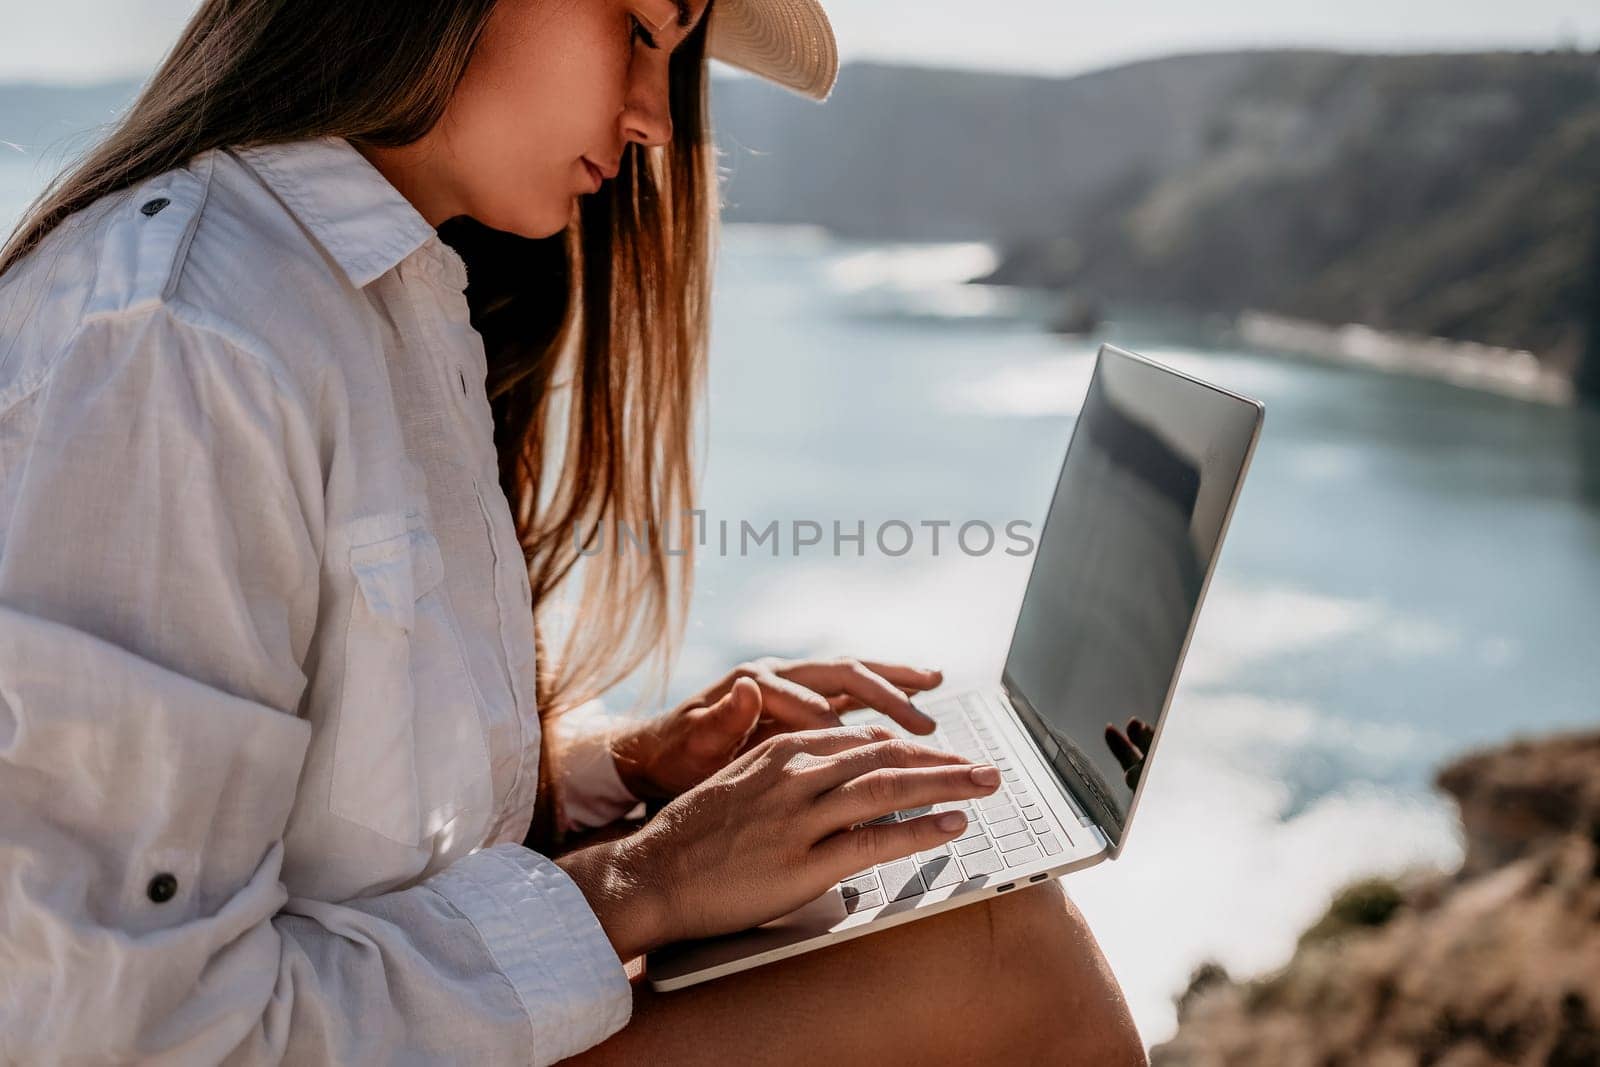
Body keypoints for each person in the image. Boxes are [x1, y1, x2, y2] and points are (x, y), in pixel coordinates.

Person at [0, 0, 1146, 1062]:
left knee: (971, 911)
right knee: (1005, 959)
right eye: (645, 29)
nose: (653, 119)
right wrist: (648, 877)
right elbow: (124, 1028)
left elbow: (329, 810)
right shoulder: (182, 337)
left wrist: (619, 770)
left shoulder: (384, 300)